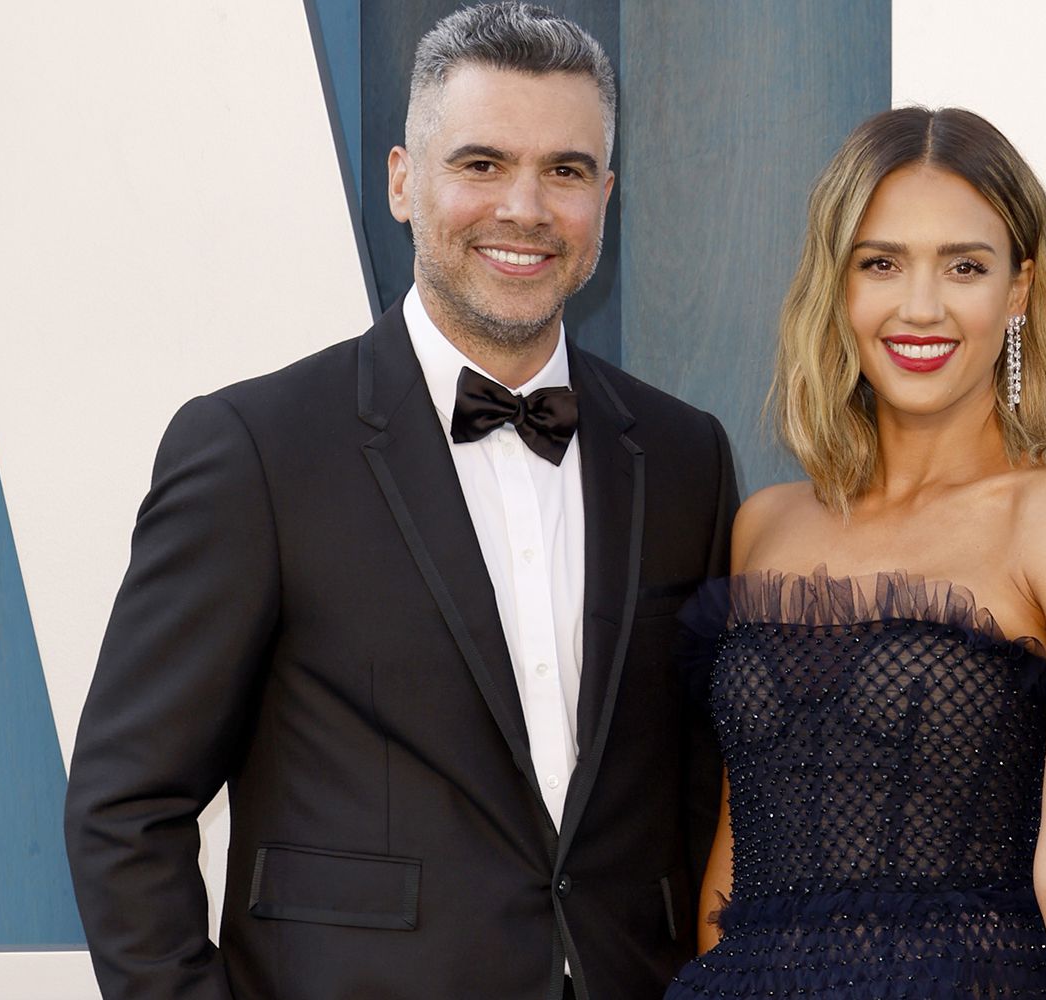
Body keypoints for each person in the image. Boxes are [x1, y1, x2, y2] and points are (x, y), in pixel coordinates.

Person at [63, 5, 732, 999]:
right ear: (402, 184)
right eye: (481, 163)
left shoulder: (684, 457)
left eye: (567, 170)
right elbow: (124, 806)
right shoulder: (255, 450)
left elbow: (700, 796)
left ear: (607, 195)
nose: (526, 207)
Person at [666, 107, 1046, 999]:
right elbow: (739, 858)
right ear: (838, 287)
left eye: (964, 266)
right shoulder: (767, 524)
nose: (919, 306)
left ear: (1018, 291)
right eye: (881, 263)